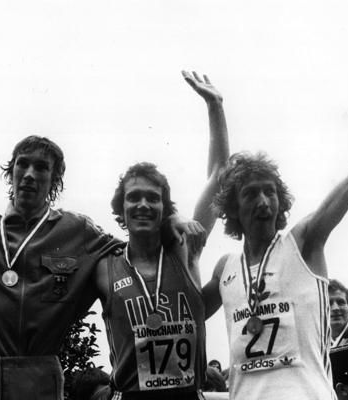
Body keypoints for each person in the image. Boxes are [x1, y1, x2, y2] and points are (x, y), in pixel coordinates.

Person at [0, 98, 197, 400]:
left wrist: (171, 220)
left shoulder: (79, 232)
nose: (30, 174)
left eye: (42, 168)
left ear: (55, 180)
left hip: (38, 378)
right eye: (23, 164)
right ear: (11, 171)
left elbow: (136, 252)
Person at [202, 29, 348, 399]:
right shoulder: (224, 269)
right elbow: (185, 313)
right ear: (234, 209)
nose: (264, 201)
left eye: (270, 191)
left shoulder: (303, 242)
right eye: (251, 193)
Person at [93, 71, 229, 400]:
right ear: (121, 208)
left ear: (164, 207)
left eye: (152, 198)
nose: (143, 204)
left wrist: (215, 106)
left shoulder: (184, 250)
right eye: (134, 197)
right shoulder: (104, 268)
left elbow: (220, 177)